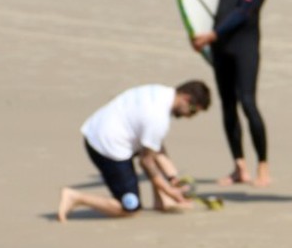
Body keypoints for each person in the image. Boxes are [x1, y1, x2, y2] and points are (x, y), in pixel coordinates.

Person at [191, 0, 272, 188]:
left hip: (244, 45)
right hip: (220, 47)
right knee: (227, 106)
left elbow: (246, 9)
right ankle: (239, 167)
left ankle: (263, 166)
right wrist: (200, 34)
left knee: (247, 102)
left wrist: (213, 34)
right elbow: (208, 4)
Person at [57, 80, 210, 222]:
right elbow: (146, 161)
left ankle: (162, 201)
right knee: (130, 209)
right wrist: (169, 190)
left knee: (152, 149)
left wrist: (172, 178)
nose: (189, 117)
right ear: (186, 98)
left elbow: (155, 146)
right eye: (192, 111)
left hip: (98, 128)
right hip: (107, 147)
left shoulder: (161, 92)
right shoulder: (158, 117)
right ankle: (75, 197)